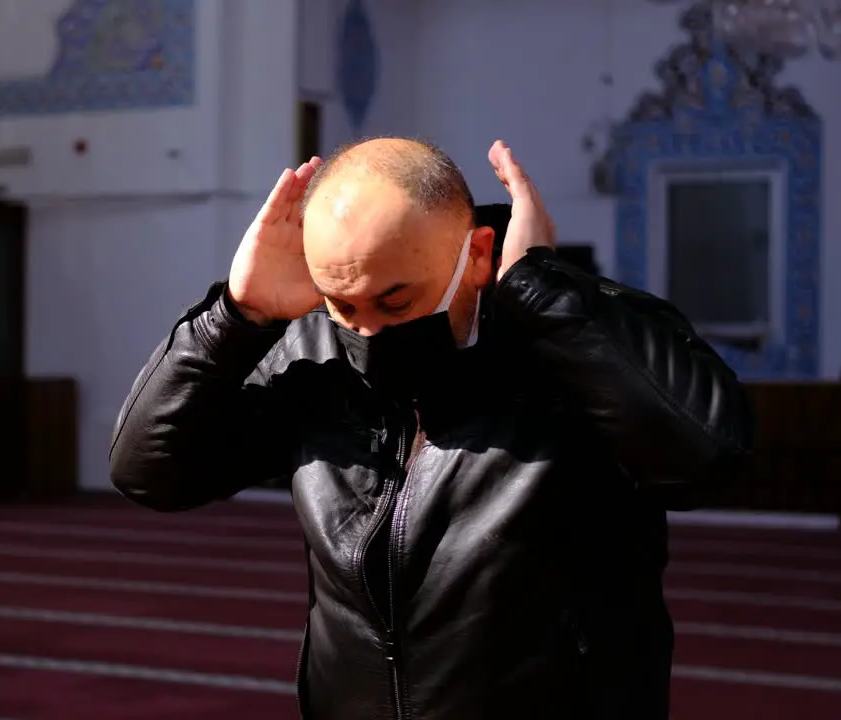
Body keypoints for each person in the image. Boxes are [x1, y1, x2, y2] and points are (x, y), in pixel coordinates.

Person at [110, 137, 753, 719]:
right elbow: (150, 471)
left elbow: (707, 457)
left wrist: (547, 300)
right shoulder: (312, 355)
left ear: (476, 255)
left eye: (396, 301)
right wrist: (237, 317)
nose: (368, 331)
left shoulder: (582, 338)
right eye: (343, 305)